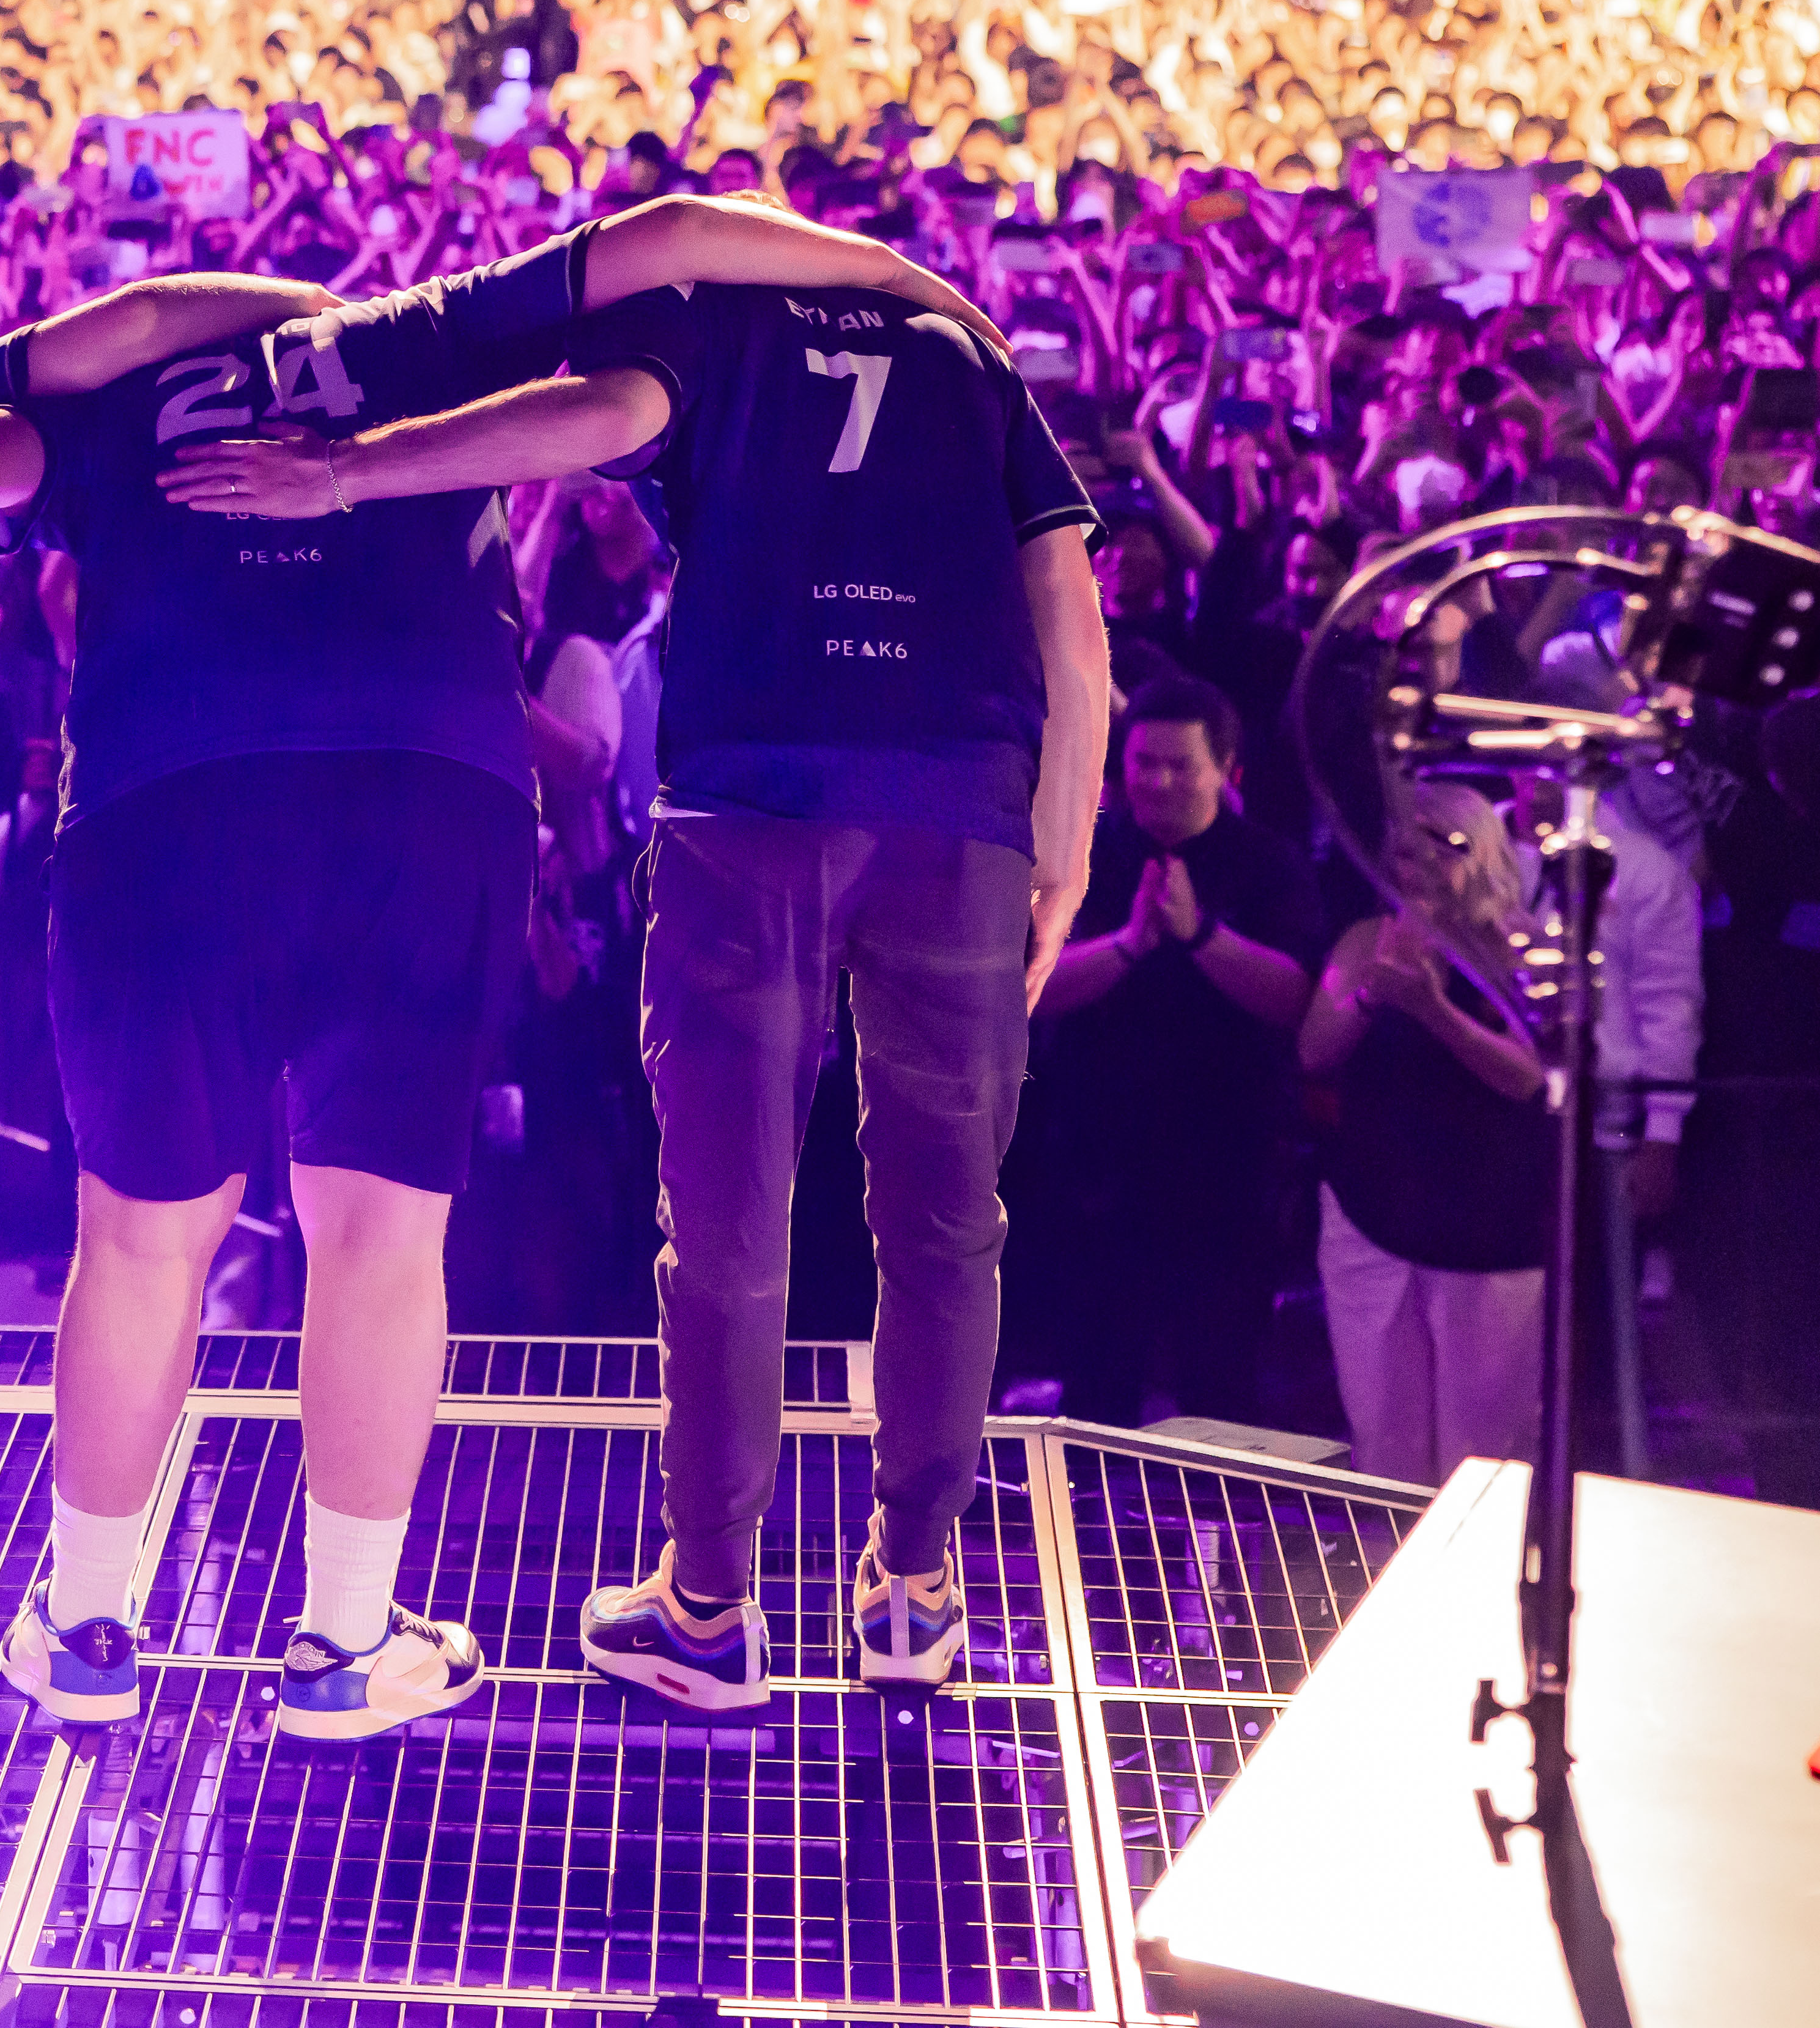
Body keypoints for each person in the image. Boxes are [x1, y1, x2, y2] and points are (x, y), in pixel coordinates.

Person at [0, 194, 994, 1743]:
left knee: (140, 1237)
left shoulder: (106, 382)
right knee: (378, 1234)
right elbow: (664, 233)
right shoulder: (426, 336)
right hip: (422, 797)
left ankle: (84, 1629)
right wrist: (899, 272)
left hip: (165, 805)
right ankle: (342, 1645)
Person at [283, 239, 1106, 1711]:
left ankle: (709, 1609)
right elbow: (1066, 600)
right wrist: (1065, 839)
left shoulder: (702, 316)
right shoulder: (962, 346)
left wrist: (348, 471)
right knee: (946, 1228)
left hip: (747, 813)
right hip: (961, 815)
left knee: (728, 1226)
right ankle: (912, 1594)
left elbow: (592, 422)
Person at [1019, 674, 1323, 1427]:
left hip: (1227, 1158)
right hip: (1097, 1155)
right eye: (1142, 763)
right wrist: (1127, 945)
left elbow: (1294, 999)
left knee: (1219, 1385)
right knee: (1096, 1384)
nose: (1155, 781)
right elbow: (1027, 989)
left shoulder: (1268, 863)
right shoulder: (1084, 856)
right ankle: (1089, 1504)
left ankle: (1212, 1512)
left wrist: (1199, 936)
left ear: (1226, 770)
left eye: (1179, 766)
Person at [1301, 785, 1552, 1485]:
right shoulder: (1366, 938)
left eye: (1441, 845)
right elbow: (1313, 1052)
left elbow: (1529, 1077)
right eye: (1404, 847)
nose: (1415, 863)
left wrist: (1433, 1010)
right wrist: (1370, 994)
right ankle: (1388, 1549)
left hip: (1487, 1223)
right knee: (1383, 1429)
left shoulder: (1521, 948)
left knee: (1483, 1443)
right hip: (1373, 1210)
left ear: (1485, 854)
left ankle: (1481, 1557)